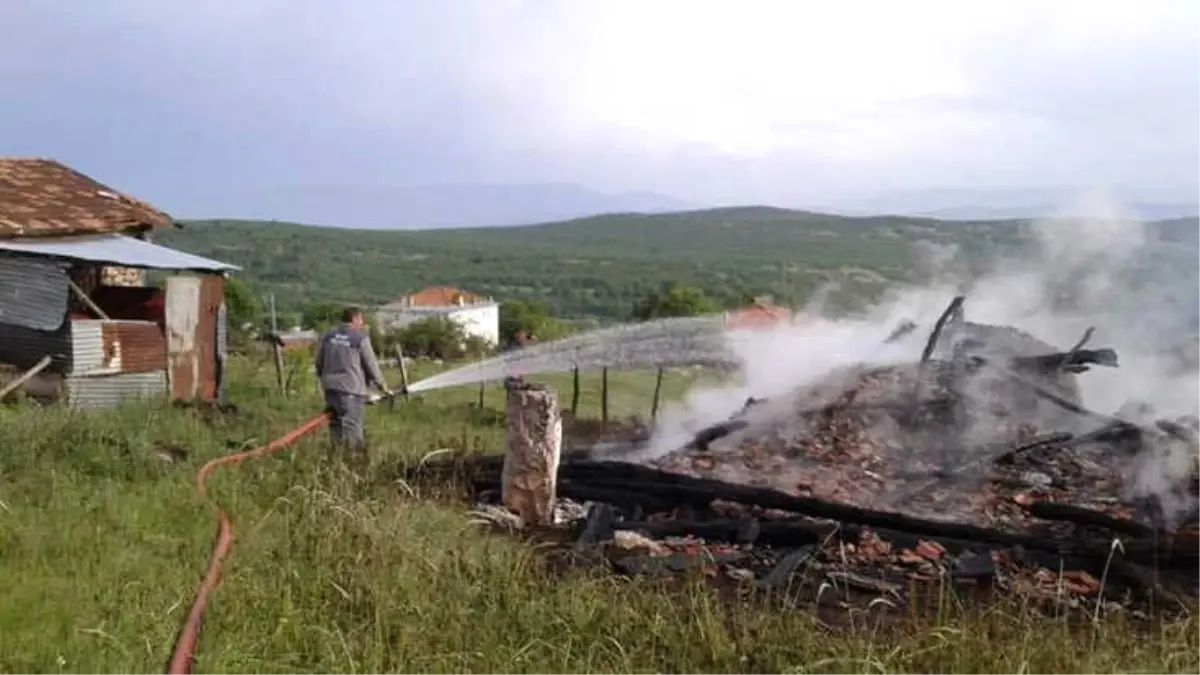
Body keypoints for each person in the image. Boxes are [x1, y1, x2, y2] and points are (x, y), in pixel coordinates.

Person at [314, 306, 391, 458]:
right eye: (361, 319)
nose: (362, 323)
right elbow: (371, 365)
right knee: (352, 427)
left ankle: (336, 456)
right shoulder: (359, 338)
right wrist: (383, 386)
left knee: (335, 424)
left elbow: (318, 362)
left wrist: (324, 378)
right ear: (355, 319)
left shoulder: (329, 335)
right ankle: (354, 461)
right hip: (351, 390)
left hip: (330, 388)